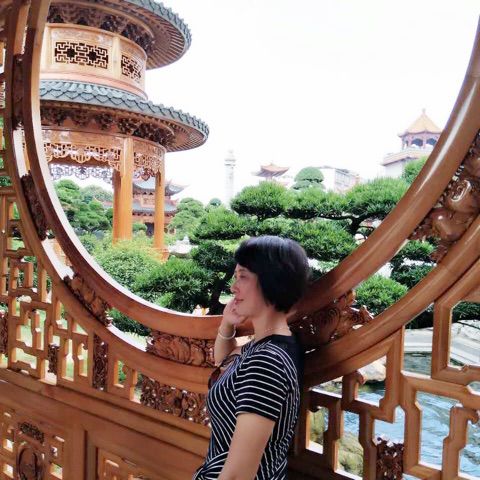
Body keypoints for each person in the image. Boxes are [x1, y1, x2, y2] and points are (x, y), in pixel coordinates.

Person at [194, 235, 310, 480]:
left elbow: (237, 475)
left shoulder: (267, 362)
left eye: (243, 277)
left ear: (272, 281)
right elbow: (224, 361)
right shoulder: (269, 344)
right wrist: (227, 323)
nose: (233, 287)